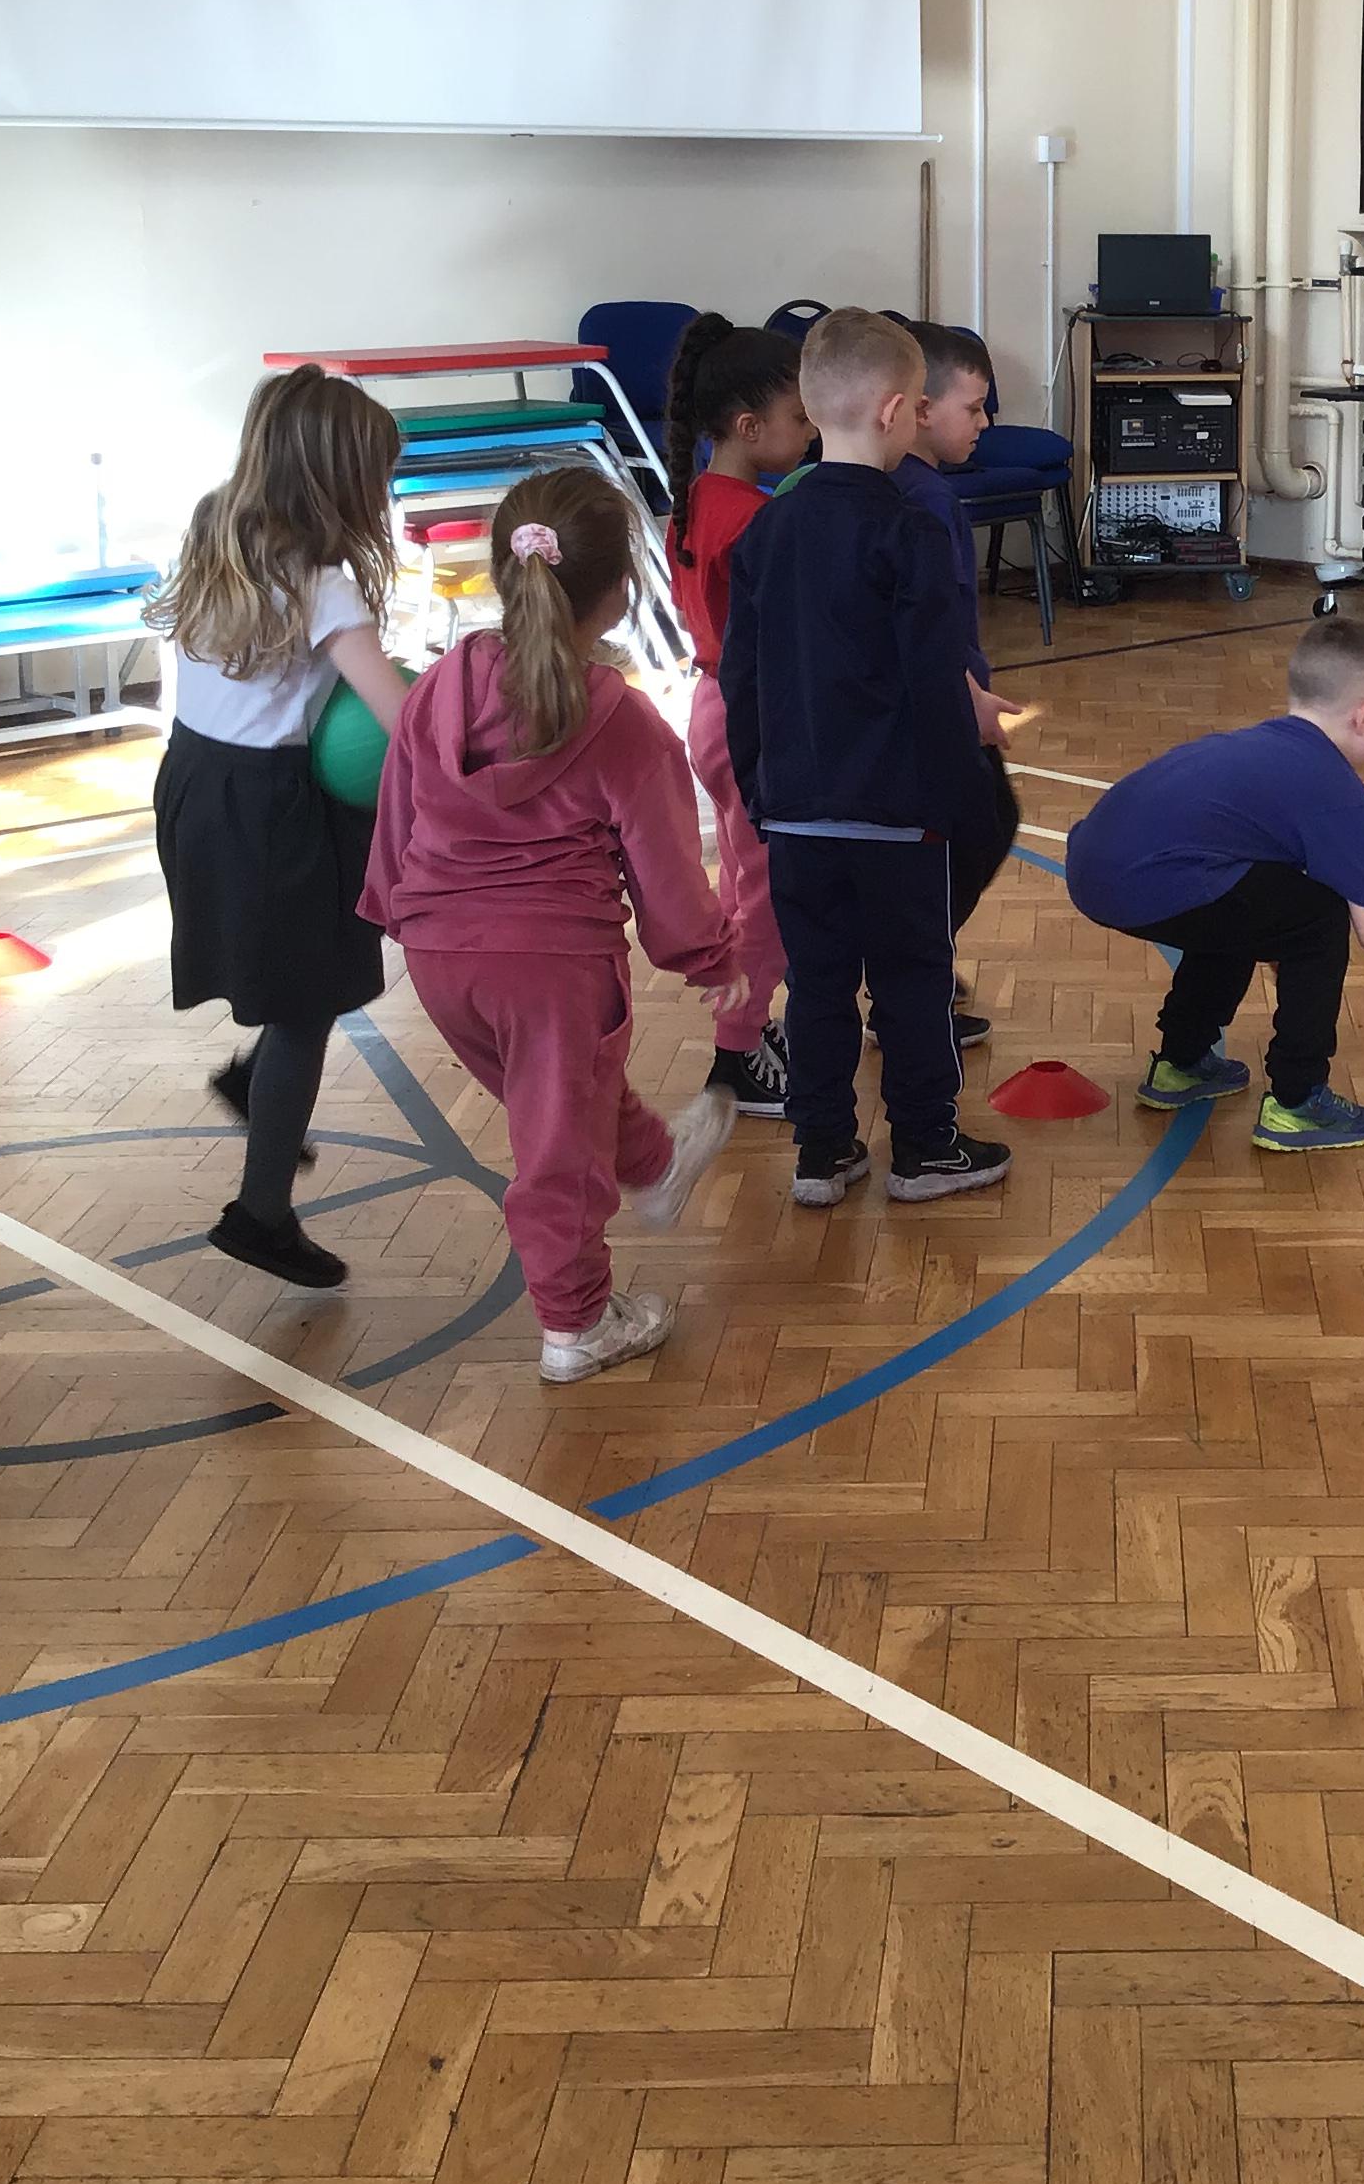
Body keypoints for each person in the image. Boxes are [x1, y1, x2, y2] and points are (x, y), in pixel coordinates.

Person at [363, 469, 743, 1383]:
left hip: (440, 957)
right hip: (551, 969)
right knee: (556, 1146)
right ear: (619, 592)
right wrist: (710, 957)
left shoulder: (441, 684)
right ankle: (576, 1326)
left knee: (560, 1096)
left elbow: (397, 813)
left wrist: (394, 909)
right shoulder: (620, 718)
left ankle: (653, 1166)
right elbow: (665, 870)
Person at [719, 308, 1011, 1210]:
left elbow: (742, 679)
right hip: (897, 814)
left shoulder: (767, 529)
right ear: (893, 411)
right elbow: (933, 680)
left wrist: (760, 789)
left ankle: (822, 1152)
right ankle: (924, 1147)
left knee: (817, 986)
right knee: (914, 980)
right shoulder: (910, 529)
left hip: (795, 812)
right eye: (920, 402)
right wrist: (961, 799)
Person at [147, 364, 411, 1289]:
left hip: (195, 784)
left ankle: (249, 1081)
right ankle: (260, 1217)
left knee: (300, 976)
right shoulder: (325, 584)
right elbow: (398, 720)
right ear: (342, 479)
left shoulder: (217, 526)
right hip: (271, 810)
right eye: (378, 477)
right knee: (307, 1004)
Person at [1063, 616, 1364, 1152]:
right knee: (1321, 917)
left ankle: (1182, 1064)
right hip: (1151, 880)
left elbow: (1254, 891)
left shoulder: (1261, 745)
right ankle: (1297, 1103)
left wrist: (1279, 944)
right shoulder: (1338, 798)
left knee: (1237, 904)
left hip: (1091, 865)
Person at [662, 314, 813, 1119]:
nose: (811, 431)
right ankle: (735, 1055)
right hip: (754, 718)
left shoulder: (698, 499)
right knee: (770, 897)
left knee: (743, 883)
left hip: (714, 710)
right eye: (800, 417)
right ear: (751, 427)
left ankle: (746, 1023)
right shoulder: (753, 519)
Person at [897, 320, 1024, 1041]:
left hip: (944, 699)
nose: (984, 423)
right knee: (981, 825)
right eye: (972, 408)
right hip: (944, 708)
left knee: (979, 826)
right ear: (920, 409)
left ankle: (918, 967)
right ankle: (912, 974)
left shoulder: (918, 489)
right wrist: (969, 696)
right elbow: (930, 618)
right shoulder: (926, 500)